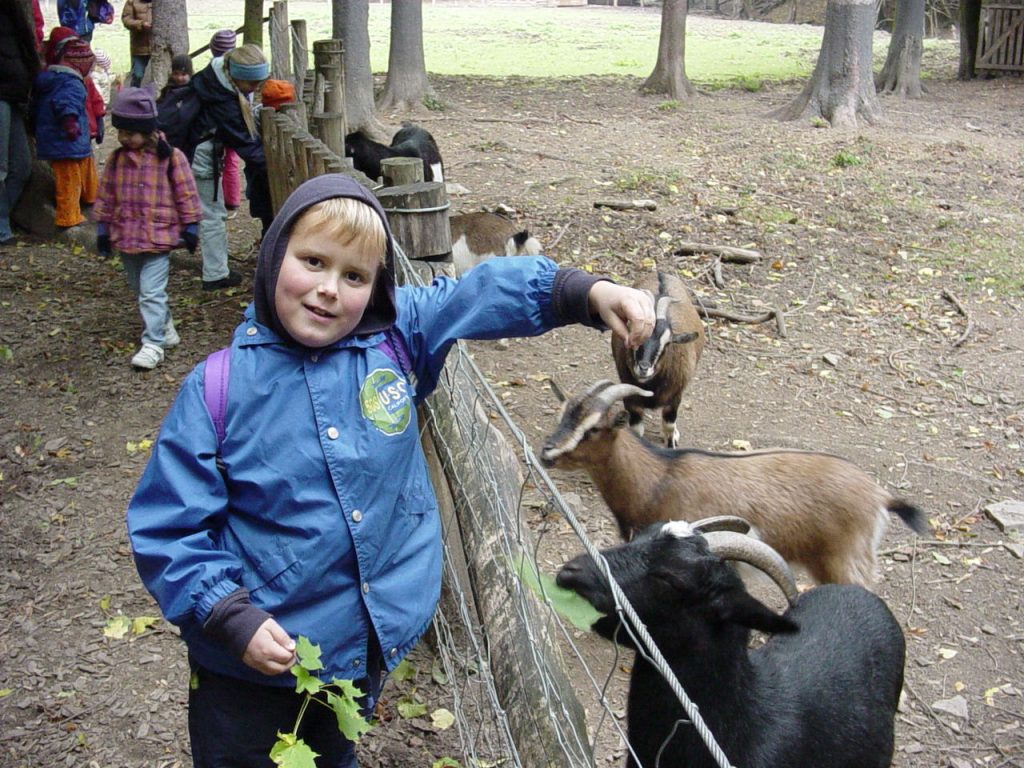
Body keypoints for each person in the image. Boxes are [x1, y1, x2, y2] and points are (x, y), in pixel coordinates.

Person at [126, 173, 656, 768]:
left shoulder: (395, 340)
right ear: (275, 257)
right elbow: (170, 526)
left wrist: (584, 292)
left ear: (376, 284)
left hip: (357, 652)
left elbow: (477, 292)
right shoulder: (218, 390)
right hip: (247, 665)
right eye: (313, 262)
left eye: (354, 276)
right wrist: (226, 613)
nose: (329, 289)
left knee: (332, 751)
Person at [93, 86, 201, 369]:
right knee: (140, 289)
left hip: (158, 237)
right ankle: (165, 327)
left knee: (151, 292)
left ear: (148, 130)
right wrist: (103, 227)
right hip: (126, 236)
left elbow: (187, 193)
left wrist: (191, 226)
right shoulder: (117, 160)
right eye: (121, 132)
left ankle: (153, 344)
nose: (124, 138)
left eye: (131, 133)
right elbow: (106, 194)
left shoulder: (171, 158)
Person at [188, 43, 269, 290]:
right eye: (252, 83)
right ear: (237, 76)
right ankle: (215, 274)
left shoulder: (217, 78)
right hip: (202, 155)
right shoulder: (223, 100)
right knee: (212, 214)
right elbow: (245, 144)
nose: (255, 88)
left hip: (200, 149)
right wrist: (273, 166)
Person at [33, 28, 98, 230]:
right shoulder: (69, 83)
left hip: (72, 141)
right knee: (68, 180)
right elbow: (66, 104)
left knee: (85, 169)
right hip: (65, 141)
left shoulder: (54, 79)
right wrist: (70, 123)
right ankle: (68, 216)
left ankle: (90, 198)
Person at [1, 0, 40, 246]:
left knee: (22, 166)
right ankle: (2, 228)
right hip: (3, 93)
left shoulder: (12, 8)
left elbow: (25, 40)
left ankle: (2, 218)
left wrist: (32, 74)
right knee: (2, 167)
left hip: (16, 93)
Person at [208, 29, 241, 214]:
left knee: (214, 159)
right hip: (236, 121)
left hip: (216, 122)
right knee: (231, 159)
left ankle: (216, 196)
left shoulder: (211, 70)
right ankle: (232, 199)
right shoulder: (239, 68)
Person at [121, 0, 152, 87]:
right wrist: (140, 24)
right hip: (139, 47)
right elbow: (126, 19)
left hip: (159, 48)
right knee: (137, 75)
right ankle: (134, 93)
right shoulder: (132, 2)